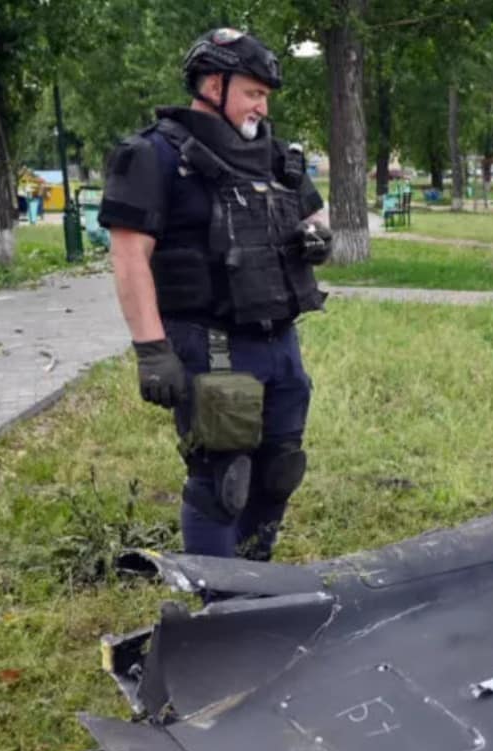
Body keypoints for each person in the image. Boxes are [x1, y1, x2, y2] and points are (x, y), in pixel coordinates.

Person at [98, 28, 330, 561]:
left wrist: (318, 235)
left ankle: (254, 577)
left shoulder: (275, 156)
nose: (262, 105)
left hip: (279, 340)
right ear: (211, 85)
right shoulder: (154, 155)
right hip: (209, 341)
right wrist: (151, 350)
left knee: (280, 468)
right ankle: (217, 601)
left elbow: (315, 216)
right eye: (253, 93)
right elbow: (129, 256)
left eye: (266, 95)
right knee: (223, 477)